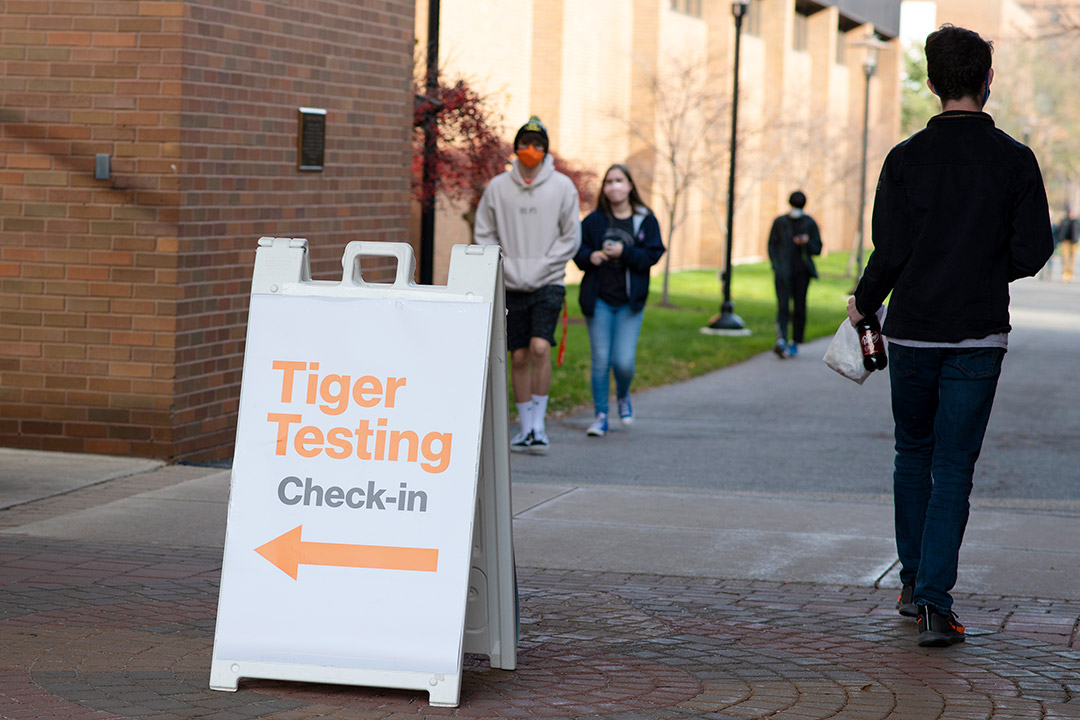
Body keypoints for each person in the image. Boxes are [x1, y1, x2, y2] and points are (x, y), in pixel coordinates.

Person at [848, 24, 1053, 647]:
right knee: (954, 468)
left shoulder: (904, 159)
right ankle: (937, 600)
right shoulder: (1015, 161)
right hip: (977, 336)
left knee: (912, 455)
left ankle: (913, 585)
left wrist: (865, 300)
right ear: (987, 80)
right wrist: (985, 266)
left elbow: (893, 247)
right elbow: (1034, 249)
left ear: (932, 82)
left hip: (912, 333)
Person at [474, 116, 581, 454]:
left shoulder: (563, 187)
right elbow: (484, 232)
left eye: (537, 144)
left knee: (539, 347)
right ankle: (524, 427)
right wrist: (501, 262)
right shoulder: (498, 188)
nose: (530, 150)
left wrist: (546, 265)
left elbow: (570, 236)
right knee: (518, 356)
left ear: (546, 150)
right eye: (525, 143)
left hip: (548, 281)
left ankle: (539, 424)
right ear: (516, 148)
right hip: (510, 283)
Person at [573, 164, 665, 437]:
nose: (614, 186)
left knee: (623, 362)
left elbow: (653, 254)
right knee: (601, 359)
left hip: (629, 302)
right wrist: (590, 256)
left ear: (630, 185)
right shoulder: (594, 221)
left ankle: (623, 395)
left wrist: (624, 252)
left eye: (619, 181)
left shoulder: (644, 219)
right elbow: (576, 249)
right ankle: (601, 415)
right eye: (609, 182)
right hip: (599, 299)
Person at [767, 191, 822, 359]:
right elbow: (772, 246)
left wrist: (807, 242)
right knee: (783, 306)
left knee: (799, 307)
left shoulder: (809, 223)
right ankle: (781, 339)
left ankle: (795, 341)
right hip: (783, 272)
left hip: (802, 273)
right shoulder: (780, 223)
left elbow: (817, 248)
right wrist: (776, 266)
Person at [1056, 207, 1077, 281]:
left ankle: (1070, 273)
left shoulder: (1076, 221)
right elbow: (1060, 230)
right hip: (1065, 241)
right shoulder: (1064, 220)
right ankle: (1064, 273)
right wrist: (1059, 239)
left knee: (1072, 258)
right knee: (1064, 258)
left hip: (1074, 242)